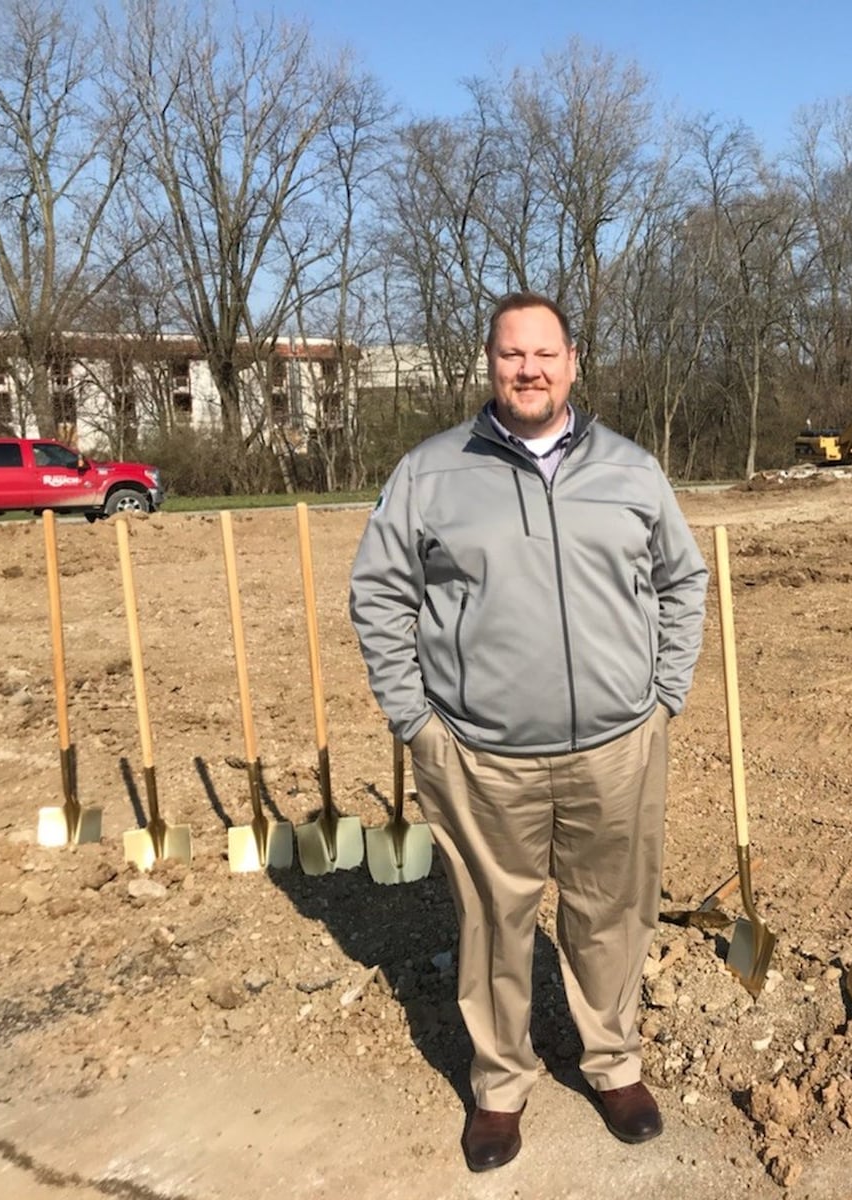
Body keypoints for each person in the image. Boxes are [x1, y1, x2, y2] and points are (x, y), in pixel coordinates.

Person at [349, 292, 709, 1174]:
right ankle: (500, 1086)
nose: (530, 369)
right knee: (492, 923)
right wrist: (418, 723)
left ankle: (613, 1062)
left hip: (617, 748)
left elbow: (682, 583)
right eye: (513, 355)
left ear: (574, 363)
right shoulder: (431, 472)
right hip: (480, 755)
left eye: (545, 353)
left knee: (609, 915)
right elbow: (380, 594)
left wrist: (663, 696)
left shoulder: (631, 470)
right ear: (490, 364)